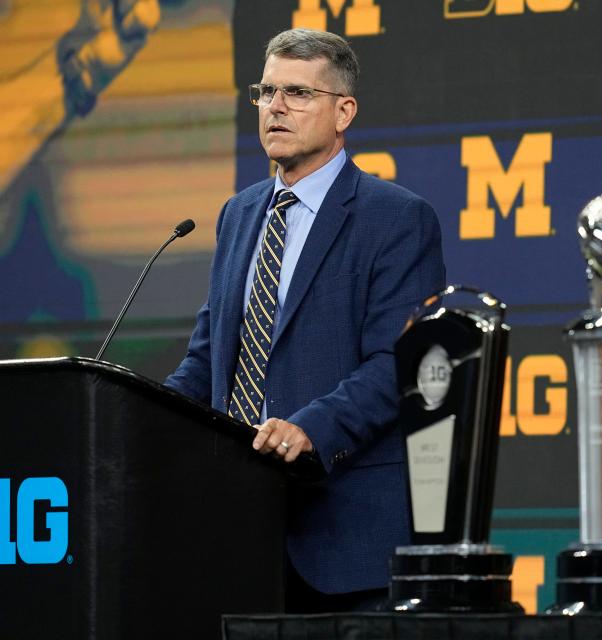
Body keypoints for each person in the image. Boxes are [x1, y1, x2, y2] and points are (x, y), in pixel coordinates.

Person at [165, 28, 445, 612]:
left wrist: (309, 427)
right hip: (236, 533)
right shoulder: (239, 215)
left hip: (345, 539)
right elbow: (209, 358)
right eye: (266, 92)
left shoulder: (395, 218)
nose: (276, 107)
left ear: (344, 111)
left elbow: (399, 362)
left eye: (297, 93)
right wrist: (140, 419)